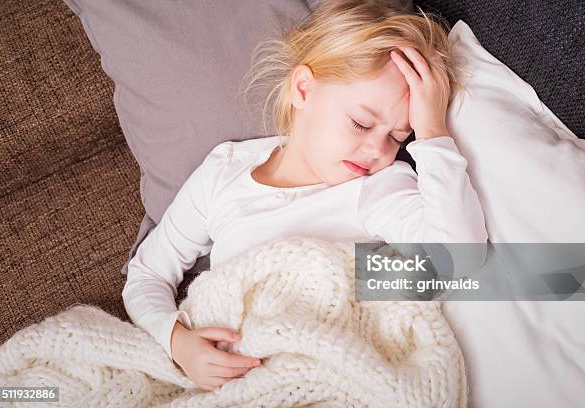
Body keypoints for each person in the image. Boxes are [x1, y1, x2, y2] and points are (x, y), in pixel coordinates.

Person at [122, 0, 488, 392]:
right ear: (303, 89)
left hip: (330, 366)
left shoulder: (376, 185)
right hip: (238, 373)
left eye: (398, 137)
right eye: (361, 123)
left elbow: (457, 263)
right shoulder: (223, 173)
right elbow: (147, 274)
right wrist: (177, 342)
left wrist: (433, 133)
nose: (377, 150)